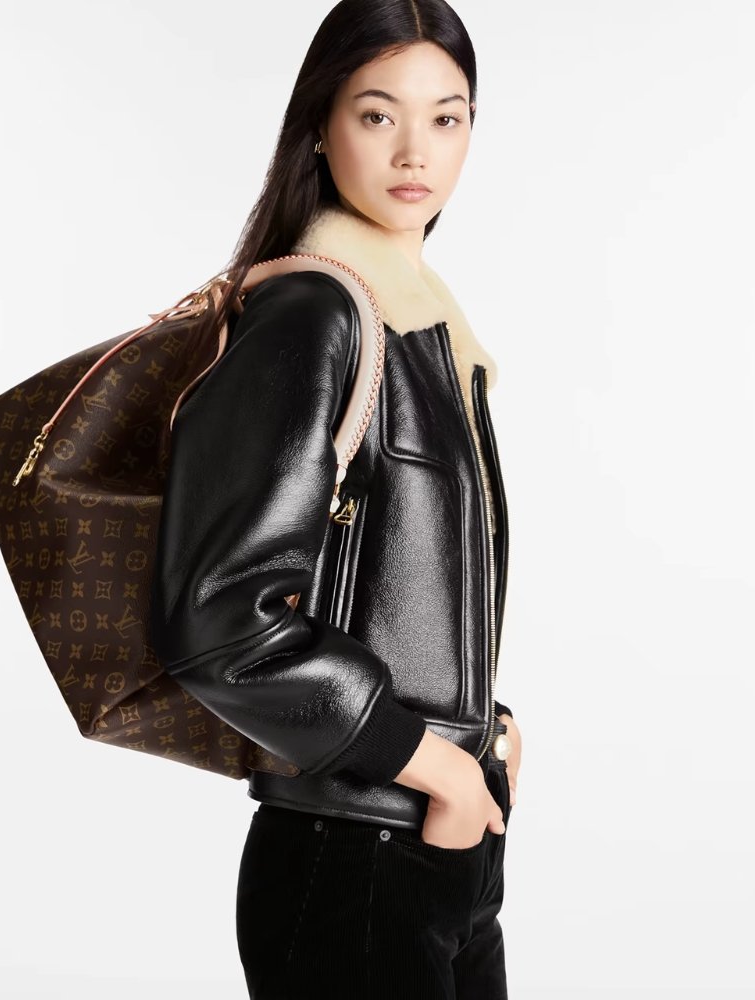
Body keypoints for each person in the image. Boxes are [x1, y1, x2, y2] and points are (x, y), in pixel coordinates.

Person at [149, 1, 522, 996]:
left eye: (447, 117)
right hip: (351, 855)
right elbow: (220, 621)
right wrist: (435, 764)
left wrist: (484, 731)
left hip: (434, 845)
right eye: (377, 114)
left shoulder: (424, 325)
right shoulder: (316, 313)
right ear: (320, 124)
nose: (415, 151)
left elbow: (387, 584)